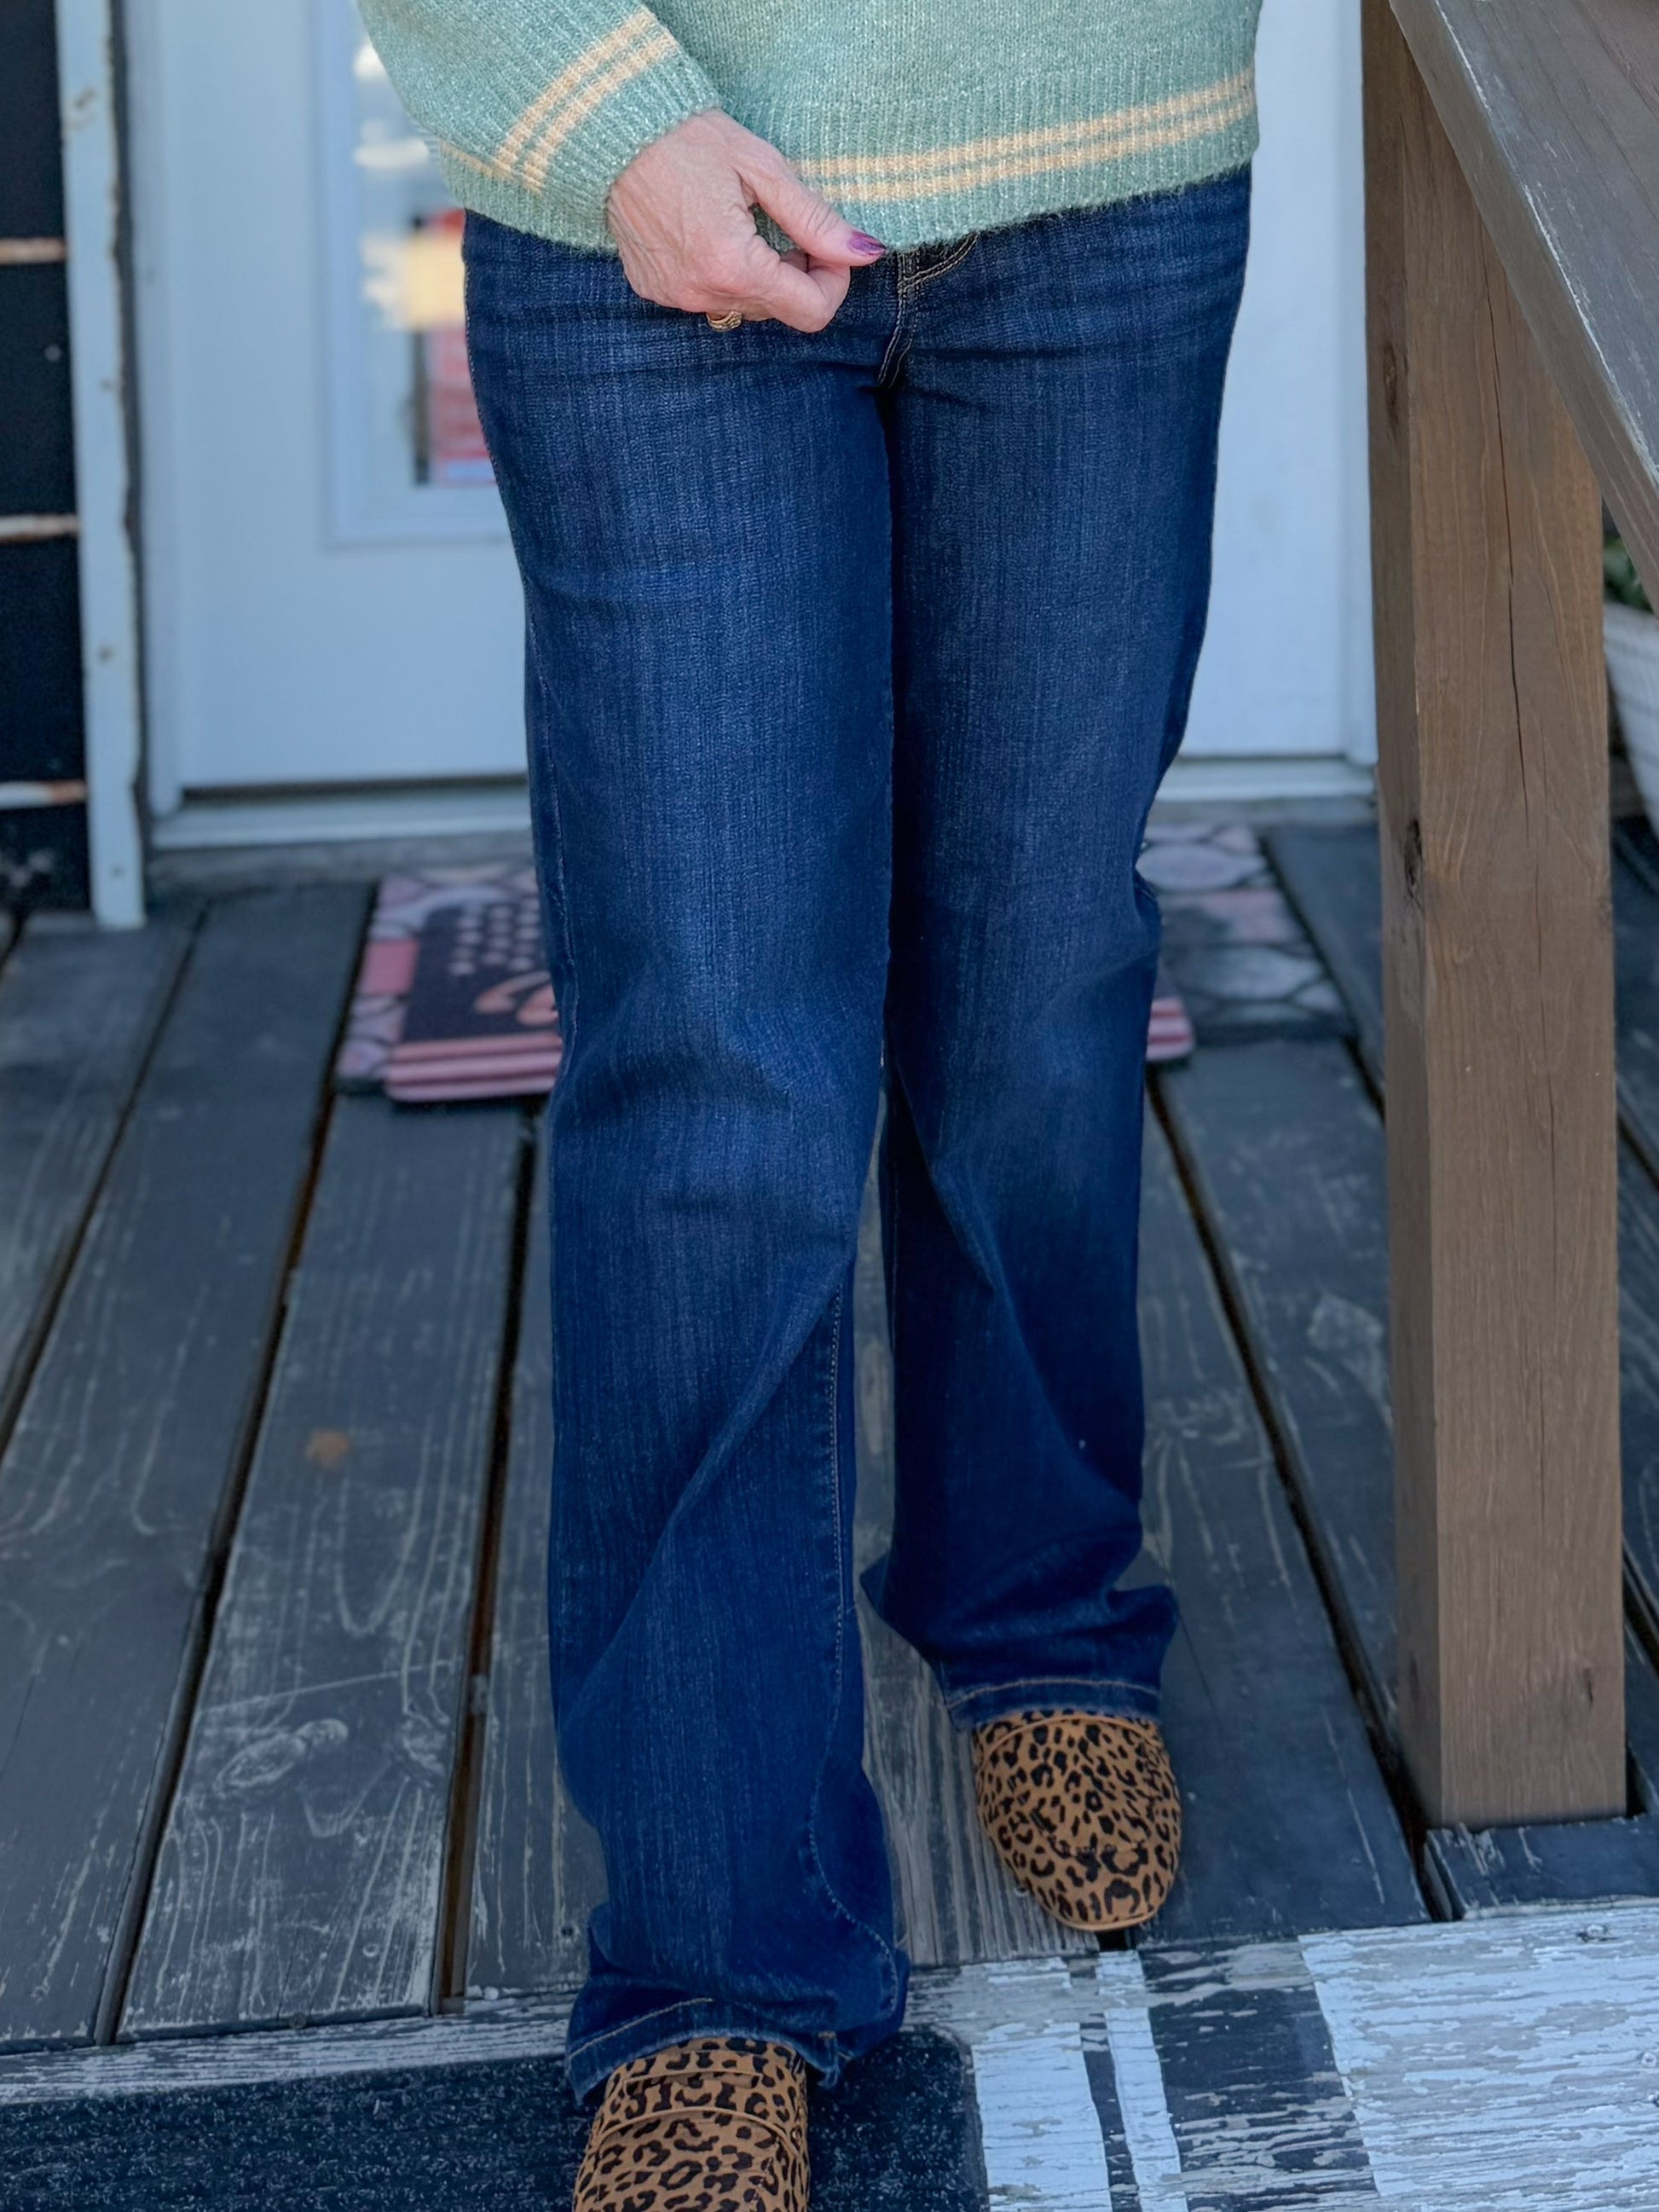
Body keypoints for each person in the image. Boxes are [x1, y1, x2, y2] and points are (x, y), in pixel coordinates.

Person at [361, 4, 1262, 2203]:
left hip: (1109, 173)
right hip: (644, 203)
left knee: (1043, 993)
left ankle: (1033, 1612)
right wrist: (596, 113)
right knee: (718, 1091)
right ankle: (722, 1951)